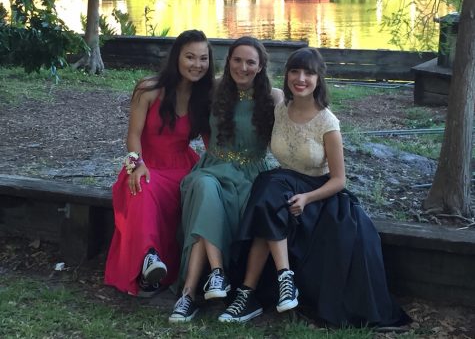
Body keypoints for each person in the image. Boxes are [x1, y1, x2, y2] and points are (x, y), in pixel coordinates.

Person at [219, 47, 411, 328]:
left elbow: (339, 180)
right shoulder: (280, 107)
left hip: (318, 191)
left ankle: (253, 291)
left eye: (308, 73)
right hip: (284, 182)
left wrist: (308, 198)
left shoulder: (327, 122)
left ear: (319, 78)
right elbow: (242, 83)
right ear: (286, 76)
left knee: (268, 193)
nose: (300, 78)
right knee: (269, 192)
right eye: (295, 71)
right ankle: (278, 281)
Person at [168, 36, 284, 322]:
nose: (242, 67)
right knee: (204, 188)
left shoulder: (273, 97)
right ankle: (216, 274)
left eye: (250, 62)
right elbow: (176, 91)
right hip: (213, 168)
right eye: (237, 60)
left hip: (251, 175)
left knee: (206, 203)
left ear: (260, 67)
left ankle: (188, 295)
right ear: (228, 60)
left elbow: (301, 124)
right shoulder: (214, 89)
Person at [104, 30, 215, 297]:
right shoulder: (149, 89)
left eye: (203, 58)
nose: (196, 65)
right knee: (140, 187)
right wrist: (136, 163)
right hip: (146, 162)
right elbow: (133, 135)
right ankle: (149, 258)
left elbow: (212, 143)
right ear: (176, 57)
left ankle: (152, 269)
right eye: (190, 57)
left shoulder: (206, 97)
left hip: (183, 166)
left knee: (192, 192)